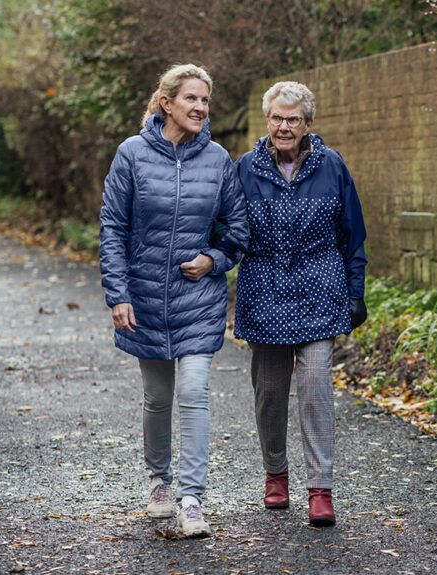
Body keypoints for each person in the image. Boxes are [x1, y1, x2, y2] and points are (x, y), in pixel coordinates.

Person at [99, 64, 248, 538]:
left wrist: (213, 259)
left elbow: (238, 230)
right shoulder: (132, 155)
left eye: (206, 100)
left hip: (198, 299)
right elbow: (113, 230)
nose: (201, 108)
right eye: (192, 99)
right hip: (143, 298)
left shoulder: (219, 160)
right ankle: (159, 483)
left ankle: (192, 499)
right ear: (167, 103)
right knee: (158, 397)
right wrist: (117, 294)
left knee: (193, 393)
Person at [234, 81, 367, 527]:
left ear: (308, 123)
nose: (284, 126)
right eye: (276, 118)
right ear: (266, 119)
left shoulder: (332, 167)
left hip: (319, 292)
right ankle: (276, 475)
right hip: (264, 291)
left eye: (293, 119)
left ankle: (320, 488)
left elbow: (353, 235)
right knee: (269, 393)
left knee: (315, 388)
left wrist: (355, 291)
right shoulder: (245, 169)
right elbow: (228, 231)